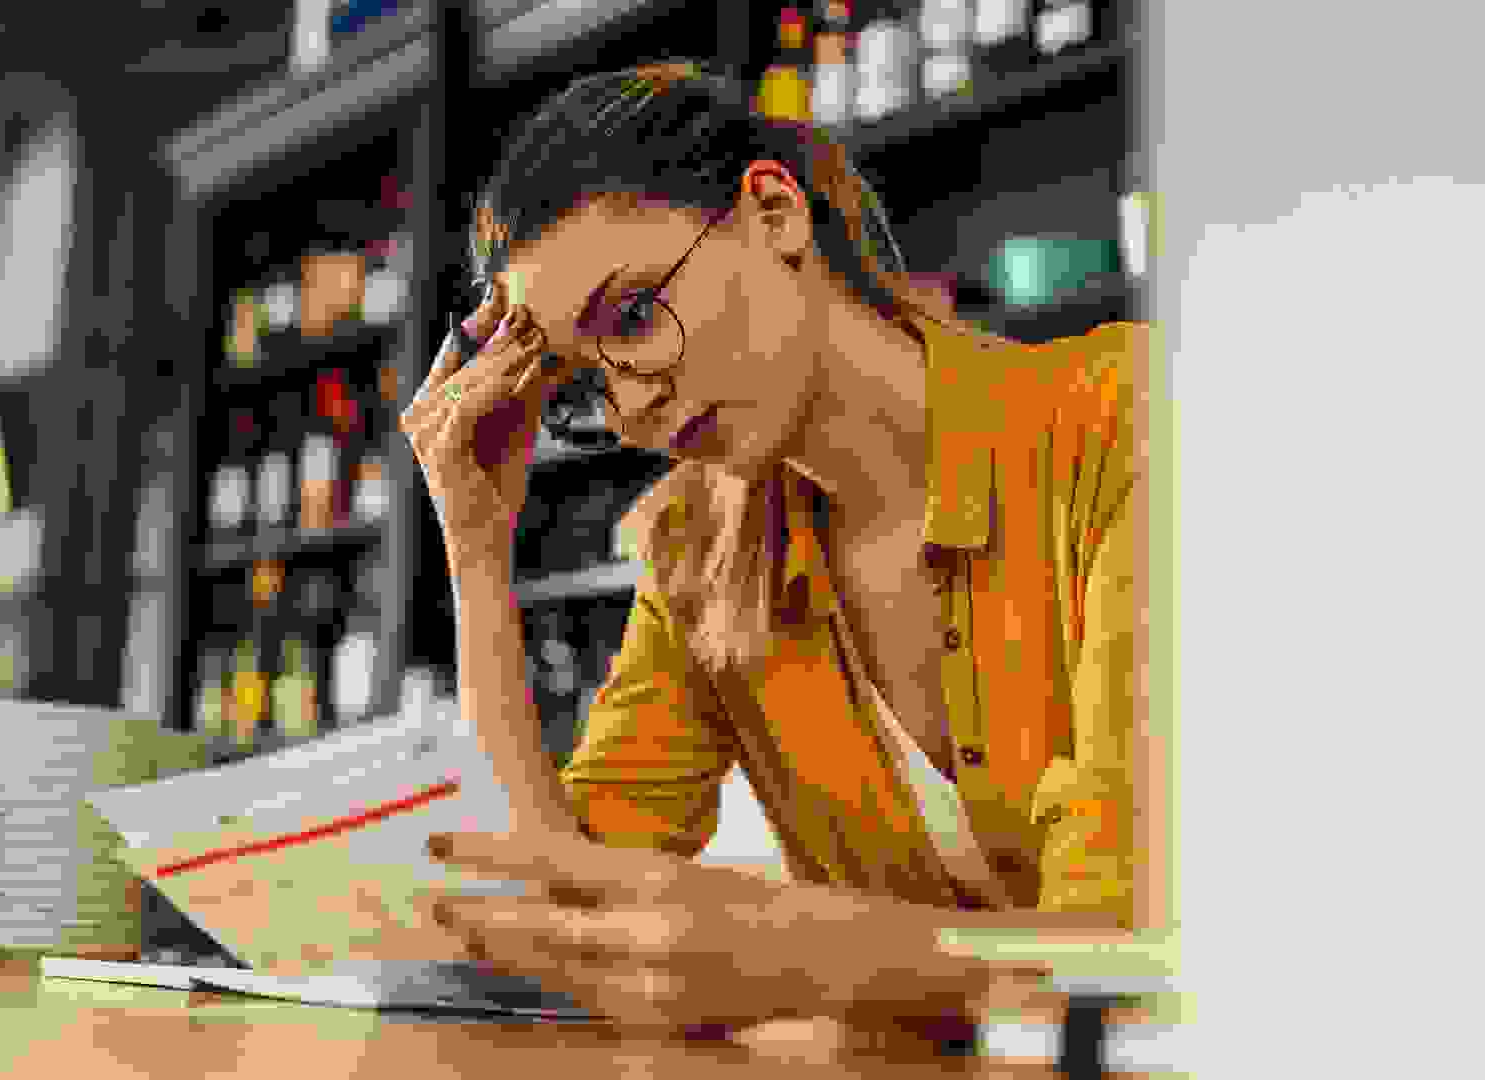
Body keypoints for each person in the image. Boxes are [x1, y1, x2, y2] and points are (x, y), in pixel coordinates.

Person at [398, 60, 1146, 1038]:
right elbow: (571, 923)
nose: (629, 410)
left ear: (772, 211)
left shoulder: (1122, 422)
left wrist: (816, 959)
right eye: (585, 383)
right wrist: (475, 544)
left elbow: (1139, 957)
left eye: (631, 316)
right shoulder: (696, 554)